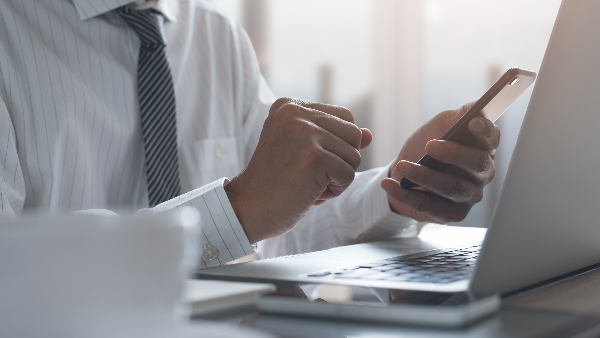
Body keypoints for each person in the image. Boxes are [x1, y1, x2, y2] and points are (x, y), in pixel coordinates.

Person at [0, 0, 499, 268]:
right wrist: (238, 206)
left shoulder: (217, 35)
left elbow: (277, 226)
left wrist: (399, 191)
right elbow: (12, 273)